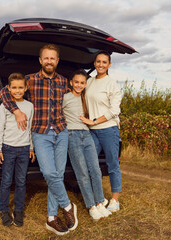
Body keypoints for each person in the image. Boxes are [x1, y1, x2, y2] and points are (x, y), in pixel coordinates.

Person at [0, 44, 77, 236]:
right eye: (46, 58)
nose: (49, 61)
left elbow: (78, 94)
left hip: (61, 131)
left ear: (57, 61)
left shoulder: (63, 82)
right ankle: (67, 206)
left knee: (57, 174)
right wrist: (16, 111)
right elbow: (3, 93)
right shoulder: (30, 80)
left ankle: (51, 217)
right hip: (40, 133)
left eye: (53, 58)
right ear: (40, 60)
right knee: (49, 173)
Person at [63, 69, 112, 221]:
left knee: (95, 170)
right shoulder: (65, 97)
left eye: (82, 83)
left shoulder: (86, 98)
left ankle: (99, 202)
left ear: (86, 84)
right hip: (73, 135)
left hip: (87, 135)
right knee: (82, 172)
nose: (79, 85)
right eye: (76, 82)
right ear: (71, 83)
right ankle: (91, 206)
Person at [80, 51, 122, 212]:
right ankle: (98, 197)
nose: (101, 65)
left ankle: (115, 200)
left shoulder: (111, 84)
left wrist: (95, 120)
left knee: (112, 164)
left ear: (109, 65)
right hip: (92, 131)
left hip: (108, 129)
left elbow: (114, 111)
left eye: (104, 62)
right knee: (89, 163)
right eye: (98, 62)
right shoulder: (89, 82)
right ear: (94, 63)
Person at [0, 73, 35, 227]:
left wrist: (31, 147)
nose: (17, 90)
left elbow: (30, 129)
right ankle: (4, 210)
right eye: (14, 88)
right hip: (8, 148)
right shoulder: (5, 106)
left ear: (25, 88)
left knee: (21, 181)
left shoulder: (29, 106)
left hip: (24, 149)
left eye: (20, 87)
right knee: (6, 181)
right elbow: (0, 129)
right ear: (9, 89)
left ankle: (18, 210)